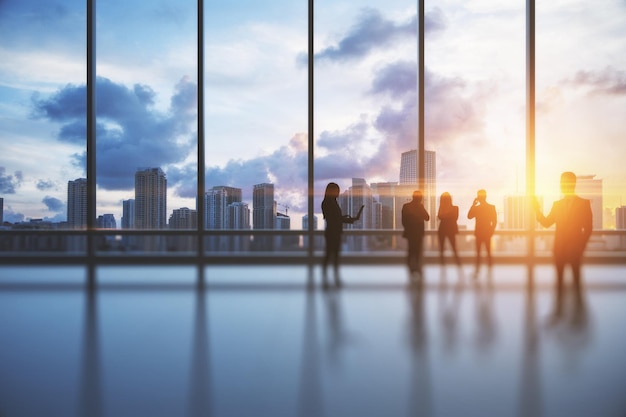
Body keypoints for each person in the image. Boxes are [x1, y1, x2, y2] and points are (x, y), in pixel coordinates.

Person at [534, 171, 592, 309]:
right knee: (559, 283)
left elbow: (588, 229)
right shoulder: (557, 205)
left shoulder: (584, 204)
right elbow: (547, 223)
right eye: (561, 182)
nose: (562, 185)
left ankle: (578, 312)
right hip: (559, 250)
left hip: (574, 250)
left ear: (573, 184)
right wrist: (537, 210)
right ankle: (559, 311)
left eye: (565, 182)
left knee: (576, 282)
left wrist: (580, 247)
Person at [321, 182, 361, 288]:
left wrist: (348, 219)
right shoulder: (328, 203)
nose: (338, 193)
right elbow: (333, 219)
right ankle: (328, 278)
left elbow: (335, 218)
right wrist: (349, 219)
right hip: (332, 232)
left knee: (332, 255)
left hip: (333, 231)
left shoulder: (330, 202)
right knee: (331, 255)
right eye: (337, 191)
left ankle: (330, 278)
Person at [467, 189, 497, 278]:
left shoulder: (477, 208)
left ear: (478, 198)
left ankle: (478, 270)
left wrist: (473, 205)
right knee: (488, 252)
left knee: (479, 253)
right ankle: (490, 271)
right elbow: (494, 221)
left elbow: (469, 216)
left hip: (480, 233)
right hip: (486, 233)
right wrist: (491, 231)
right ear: (485, 197)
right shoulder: (491, 207)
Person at [402, 190, 430, 280]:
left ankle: (412, 269)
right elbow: (427, 217)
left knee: (412, 251)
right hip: (416, 233)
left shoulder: (406, 206)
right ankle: (415, 269)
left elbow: (404, 221)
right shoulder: (418, 207)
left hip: (411, 233)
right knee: (415, 251)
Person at [437, 192, 461, 267]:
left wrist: (445, 215)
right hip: (445, 229)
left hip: (446, 229)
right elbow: (440, 217)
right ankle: (445, 264)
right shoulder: (444, 208)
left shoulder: (455, 208)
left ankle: (457, 263)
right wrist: (447, 215)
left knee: (453, 247)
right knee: (442, 248)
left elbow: (454, 218)